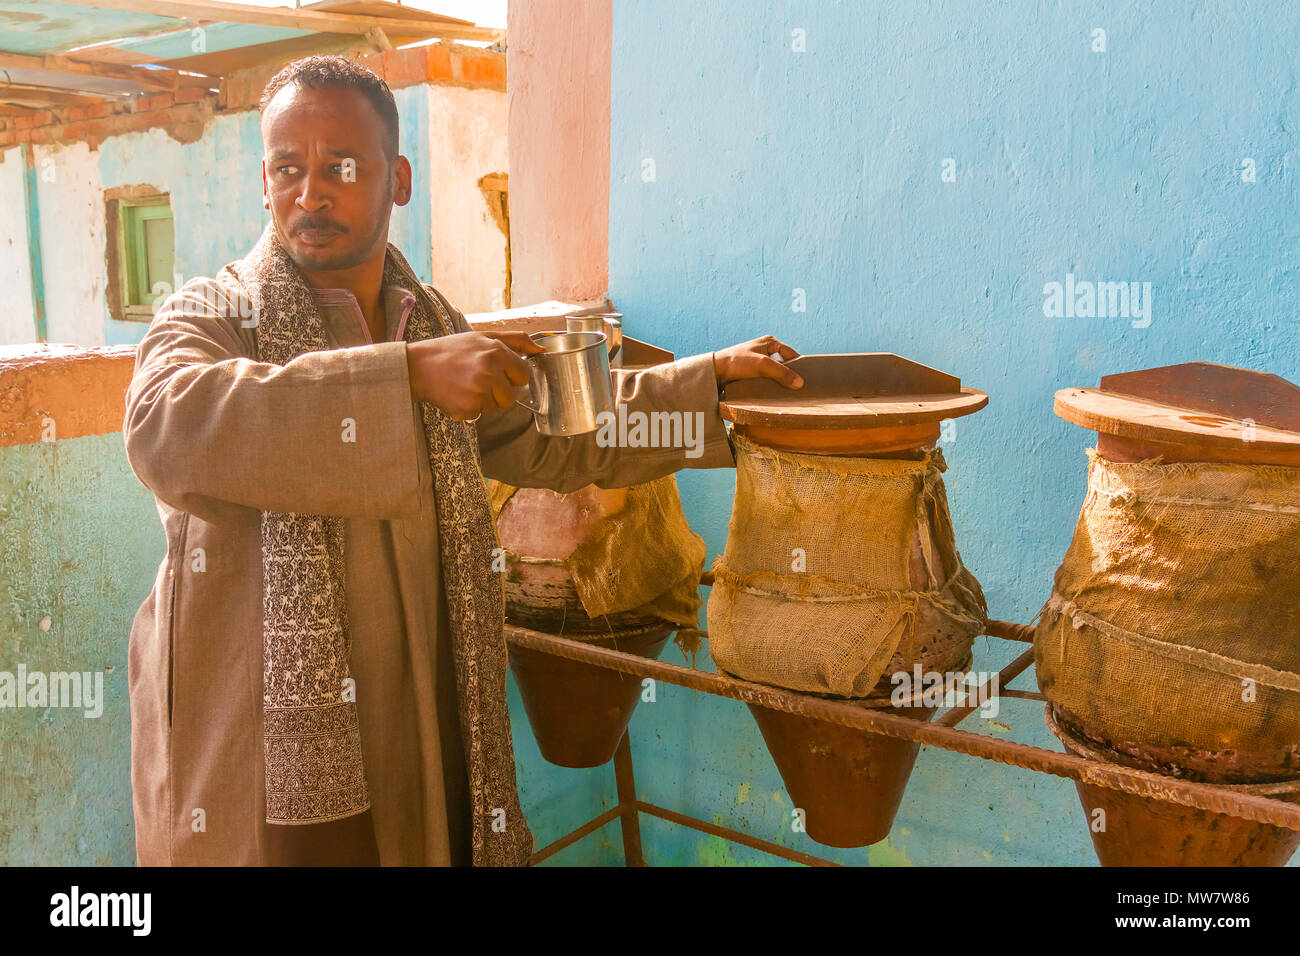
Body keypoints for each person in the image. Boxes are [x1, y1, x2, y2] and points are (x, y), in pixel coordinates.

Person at [122, 55, 801, 866]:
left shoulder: (431, 320)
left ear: (398, 179)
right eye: (286, 169)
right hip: (270, 740)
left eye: (340, 166)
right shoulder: (215, 311)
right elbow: (165, 422)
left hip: (421, 709)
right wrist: (403, 377)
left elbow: (556, 432)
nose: (310, 193)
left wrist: (706, 385)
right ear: (263, 185)